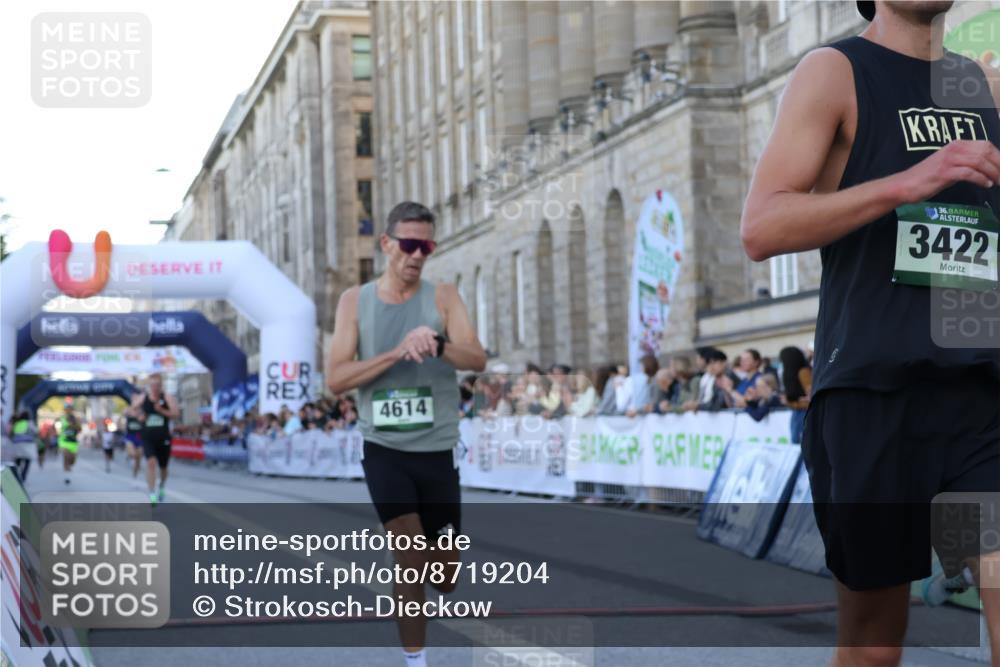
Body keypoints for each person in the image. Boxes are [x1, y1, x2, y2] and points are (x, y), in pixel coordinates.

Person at [741, 1, 1000, 662]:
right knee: (873, 646)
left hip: (979, 393)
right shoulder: (834, 71)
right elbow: (762, 226)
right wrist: (907, 183)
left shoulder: (979, 85)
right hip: (873, 391)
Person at [325, 201, 487, 667]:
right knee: (409, 554)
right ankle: (415, 661)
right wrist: (396, 353)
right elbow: (336, 378)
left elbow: (476, 359)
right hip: (385, 449)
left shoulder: (444, 297)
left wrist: (438, 345)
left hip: (437, 450)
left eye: (427, 246)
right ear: (387, 245)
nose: (417, 256)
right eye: (409, 245)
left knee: (445, 576)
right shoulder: (354, 301)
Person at [131, 374, 180, 505]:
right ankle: (152, 493)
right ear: (149, 386)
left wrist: (162, 410)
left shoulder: (167, 398)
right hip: (148, 437)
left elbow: (175, 413)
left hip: (163, 437)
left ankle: (162, 486)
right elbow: (132, 410)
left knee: (163, 467)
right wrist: (140, 416)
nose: (154, 388)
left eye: (157, 385)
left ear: (161, 386)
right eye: (152, 385)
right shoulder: (143, 398)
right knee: (151, 463)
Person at [780, 346, 812, 444]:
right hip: (798, 413)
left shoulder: (804, 372)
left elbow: (812, 399)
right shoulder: (794, 376)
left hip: (805, 415)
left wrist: (794, 403)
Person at [9, 412, 37, 482]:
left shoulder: (17, 423)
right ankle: (23, 476)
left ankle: (15, 475)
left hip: (17, 444)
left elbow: (12, 433)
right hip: (27, 444)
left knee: (18, 461)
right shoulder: (29, 423)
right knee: (27, 461)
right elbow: (35, 431)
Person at [57, 405, 80, 484]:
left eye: (70, 410)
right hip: (64, 441)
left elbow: (79, 429)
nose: (68, 411)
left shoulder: (76, 419)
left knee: (72, 461)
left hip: (73, 442)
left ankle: (69, 467)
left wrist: (74, 426)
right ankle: (67, 476)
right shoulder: (62, 419)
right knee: (66, 457)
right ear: (65, 411)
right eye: (67, 410)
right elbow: (57, 428)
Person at [123, 399, 145, 479]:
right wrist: (133, 411)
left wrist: (138, 415)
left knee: (138, 459)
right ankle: (129, 455)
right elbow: (125, 412)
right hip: (130, 436)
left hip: (139, 437)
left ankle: (135, 475)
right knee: (133, 454)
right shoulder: (129, 410)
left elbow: (143, 418)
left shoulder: (142, 411)